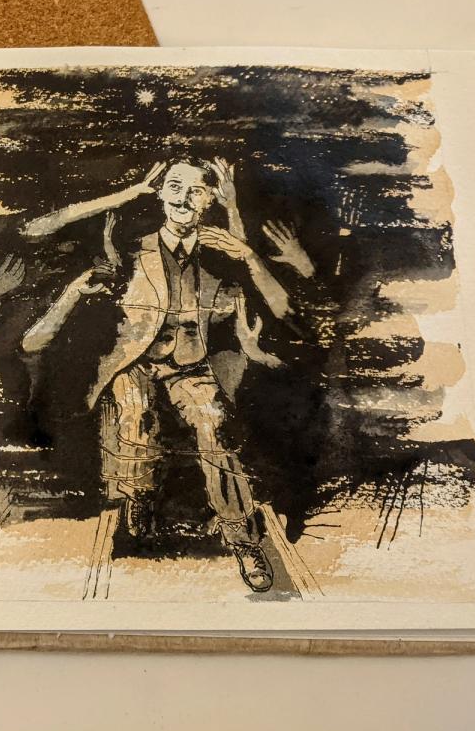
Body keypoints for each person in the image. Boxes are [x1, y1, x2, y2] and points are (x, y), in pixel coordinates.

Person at [21, 157, 290, 593]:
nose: (184, 198)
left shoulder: (221, 250)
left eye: (196, 191)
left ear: (209, 200)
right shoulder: (129, 247)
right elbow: (37, 230)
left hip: (193, 366)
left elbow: (259, 289)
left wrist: (234, 210)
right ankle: (139, 496)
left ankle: (242, 537)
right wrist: (127, 195)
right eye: (175, 187)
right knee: (135, 413)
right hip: (136, 362)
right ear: (161, 193)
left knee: (215, 427)